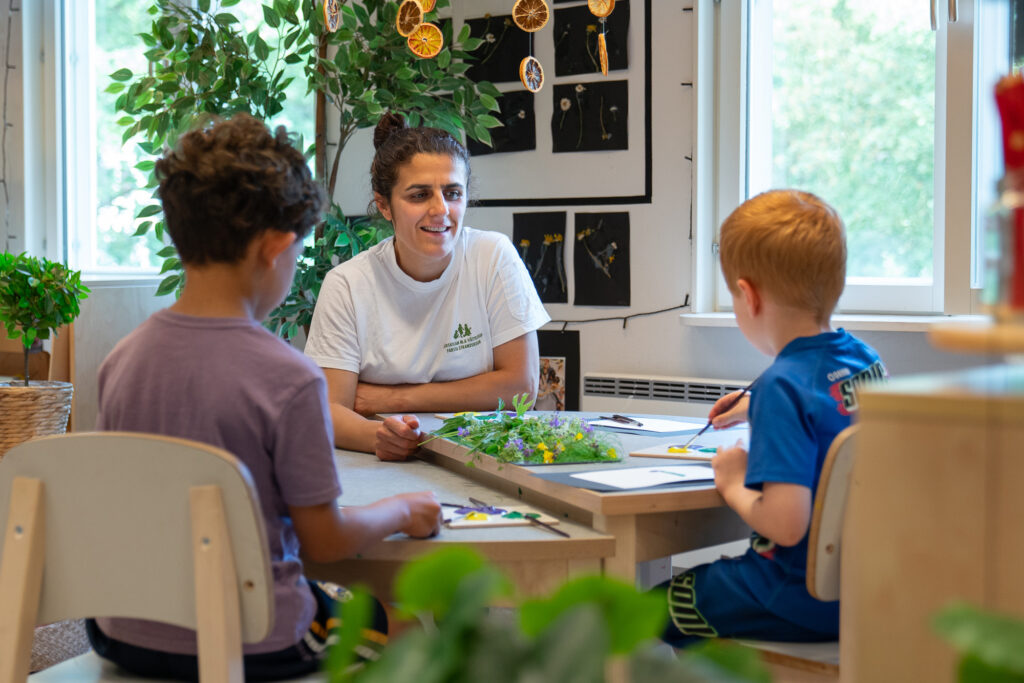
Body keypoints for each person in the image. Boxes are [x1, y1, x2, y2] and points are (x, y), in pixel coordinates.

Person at [89, 113, 442, 680]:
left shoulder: (120, 362)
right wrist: (404, 508)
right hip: (256, 635)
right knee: (410, 627)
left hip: (123, 631)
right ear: (277, 248)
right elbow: (324, 540)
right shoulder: (288, 378)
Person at [660, 189, 887, 647]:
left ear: (748, 296)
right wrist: (755, 404)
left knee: (643, 611)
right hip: (863, 590)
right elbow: (830, 405)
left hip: (789, 595)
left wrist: (733, 482)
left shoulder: (783, 387)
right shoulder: (865, 359)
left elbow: (786, 525)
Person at [304, 112, 550, 461]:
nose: (441, 210)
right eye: (419, 195)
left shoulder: (492, 257)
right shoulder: (347, 285)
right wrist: (381, 436)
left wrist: (392, 399)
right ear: (384, 206)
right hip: (379, 462)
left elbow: (519, 388)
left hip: (486, 456)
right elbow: (329, 411)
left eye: (453, 193)